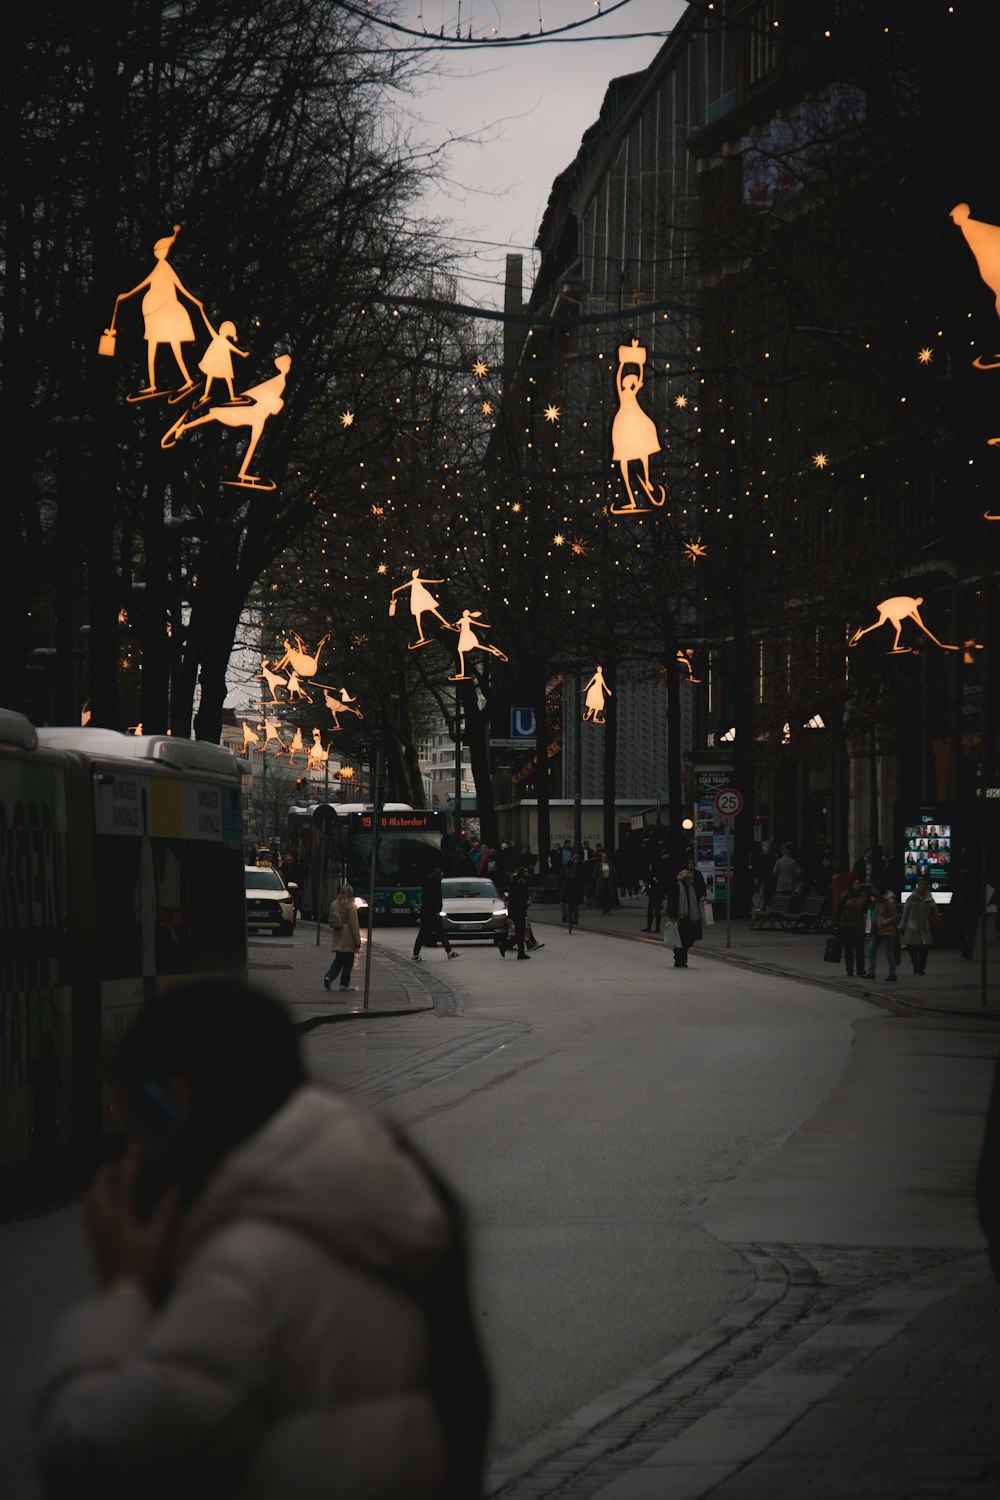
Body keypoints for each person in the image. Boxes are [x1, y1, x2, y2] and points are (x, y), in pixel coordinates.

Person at [33, 981, 490, 1500]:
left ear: (176, 1105)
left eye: (137, 1117)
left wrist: (121, 1291)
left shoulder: (248, 1268)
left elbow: (92, 1456)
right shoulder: (368, 1192)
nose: (131, 1148)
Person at [413, 868, 460, 961]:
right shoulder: (429, 885)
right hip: (429, 914)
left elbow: (438, 900)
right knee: (423, 934)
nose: (441, 879)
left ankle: (449, 951)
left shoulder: (435, 884)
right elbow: (430, 901)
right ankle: (415, 954)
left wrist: (439, 910)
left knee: (440, 933)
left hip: (432, 913)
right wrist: (435, 912)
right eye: (440, 877)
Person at [323, 881, 362, 992]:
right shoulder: (351, 905)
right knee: (348, 961)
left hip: (338, 934)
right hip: (348, 937)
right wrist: (357, 941)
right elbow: (354, 925)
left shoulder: (334, 903)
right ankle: (344, 984)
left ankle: (329, 976)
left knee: (338, 960)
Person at [664, 864, 702, 968]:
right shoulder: (677, 887)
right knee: (679, 939)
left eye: (690, 878)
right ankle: (679, 959)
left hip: (689, 917)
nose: (690, 880)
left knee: (688, 939)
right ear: (683, 878)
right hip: (680, 917)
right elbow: (672, 902)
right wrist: (673, 916)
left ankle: (681, 958)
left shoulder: (691, 888)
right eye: (688, 878)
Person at [898, 877, 938, 975]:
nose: (922, 890)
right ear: (918, 887)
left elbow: (935, 913)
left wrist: (933, 906)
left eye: (924, 888)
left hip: (925, 928)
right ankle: (916, 964)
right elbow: (905, 913)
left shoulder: (929, 899)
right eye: (921, 887)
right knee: (912, 949)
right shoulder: (910, 899)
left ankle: (921, 968)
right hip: (912, 927)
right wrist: (901, 926)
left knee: (924, 950)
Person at [834, 874, 868, 978]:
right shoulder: (845, 896)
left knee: (860, 951)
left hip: (859, 926)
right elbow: (839, 911)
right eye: (855, 883)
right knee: (848, 951)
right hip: (846, 926)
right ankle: (849, 970)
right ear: (851, 885)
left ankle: (861, 970)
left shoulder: (862, 896)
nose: (857, 885)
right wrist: (836, 924)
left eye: (858, 883)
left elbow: (865, 910)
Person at [867, 880, 898, 981]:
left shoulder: (889, 900)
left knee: (889, 952)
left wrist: (884, 922)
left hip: (887, 929)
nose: (873, 892)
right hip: (877, 928)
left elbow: (894, 915)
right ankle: (871, 972)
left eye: (874, 890)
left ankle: (893, 973)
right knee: (871, 949)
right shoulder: (879, 899)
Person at [500, 867, 531, 959]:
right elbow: (512, 902)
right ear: (519, 878)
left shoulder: (523, 886)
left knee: (519, 934)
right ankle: (515, 951)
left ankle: (506, 947)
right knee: (519, 933)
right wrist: (510, 916)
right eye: (523, 879)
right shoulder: (514, 887)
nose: (525, 880)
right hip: (516, 913)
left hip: (522, 912)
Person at [954, 852, 980, 960]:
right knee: (969, 930)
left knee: (965, 930)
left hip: (966, 908)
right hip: (969, 908)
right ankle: (967, 947)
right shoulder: (972, 882)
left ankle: (966, 948)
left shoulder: (960, 883)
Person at [561, 853, 586, 928]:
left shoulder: (580, 867)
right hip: (569, 887)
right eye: (575, 859)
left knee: (575, 904)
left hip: (577, 888)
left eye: (577, 859)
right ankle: (570, 917)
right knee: (570, 903)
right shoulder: (569, 865)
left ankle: (575, 918)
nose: (576, 860)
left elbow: (582, 878)